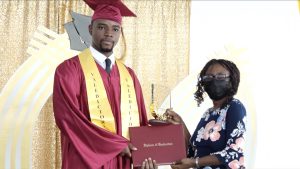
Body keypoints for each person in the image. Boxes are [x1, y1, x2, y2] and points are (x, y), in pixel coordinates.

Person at [53, 0, 155, 168]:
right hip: (84, 161)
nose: (109, 33)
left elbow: (141, 124)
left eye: (115, 29)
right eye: (102, 27)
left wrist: (149, 153)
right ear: (90, 29)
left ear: (120, 33)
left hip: (123, 163)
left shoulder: (129, 76)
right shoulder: (69, 71)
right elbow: (69, 120)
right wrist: (115, 144)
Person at [165, 59, 247, 169]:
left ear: (232, 80)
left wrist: (195, 163)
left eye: (220, 76)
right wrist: (180, 124)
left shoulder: (234, 107)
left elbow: (233, 152)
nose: (214, 81)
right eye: (208, 77)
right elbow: (194, 151)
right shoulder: (208, 113)